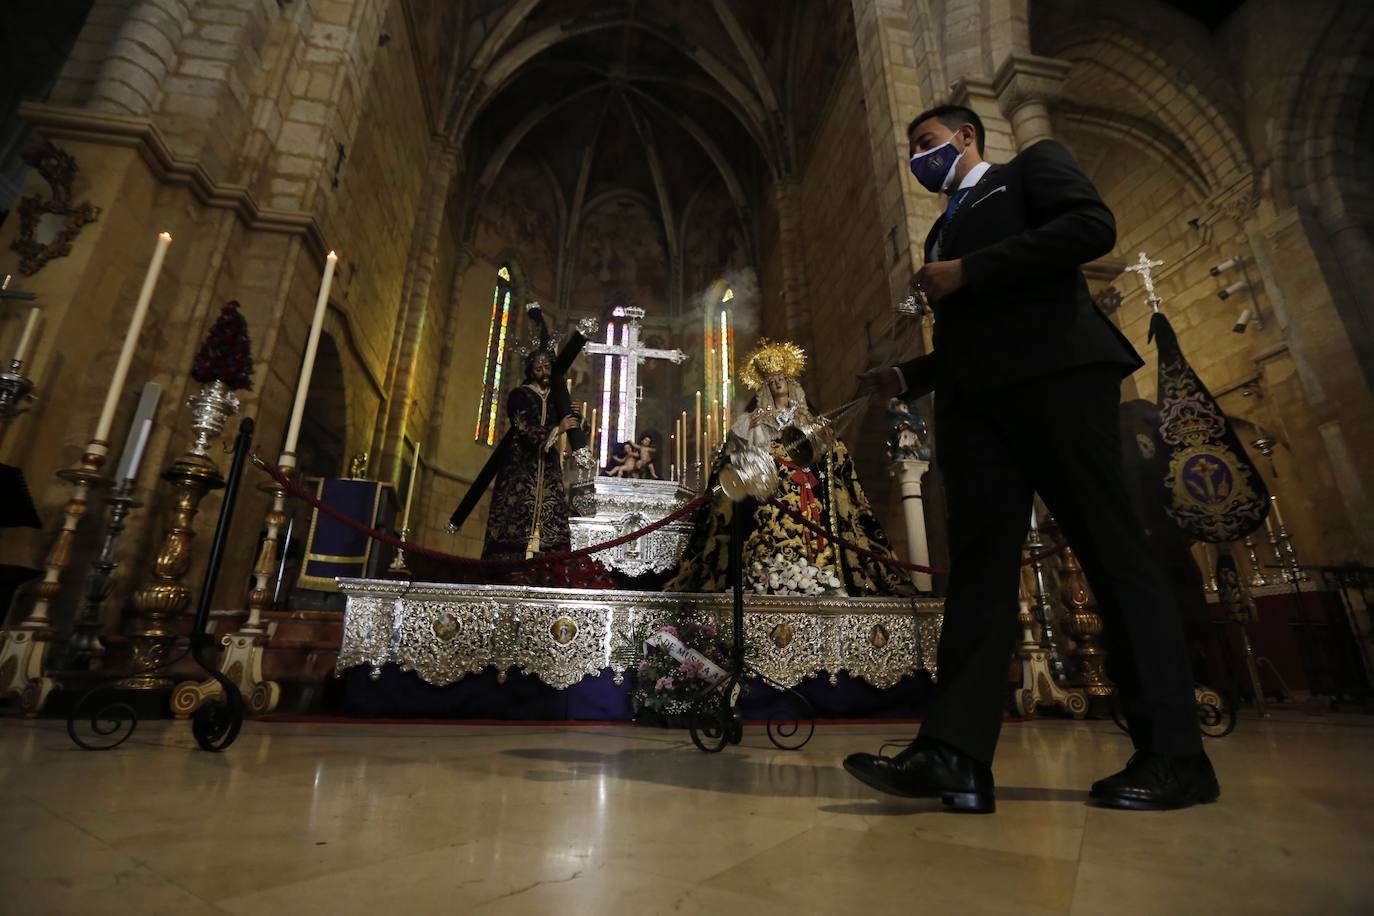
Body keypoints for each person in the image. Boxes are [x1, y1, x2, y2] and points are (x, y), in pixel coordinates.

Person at [845, 105, 1216, 813]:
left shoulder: (1029, 168)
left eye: (928, 142)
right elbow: (974, 330)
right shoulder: (940, 225)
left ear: (966, 137)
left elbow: (1089, 228)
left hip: (1057, 382)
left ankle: (1175, 754)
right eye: (912, 148)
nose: (920, 156)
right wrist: (910, 378)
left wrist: (969, 270)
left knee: (1113, 554)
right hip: (976, 409)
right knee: (980, 575)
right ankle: (955, 754)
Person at [664, 339, 912, 597]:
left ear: (791, 383)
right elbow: (740, 456)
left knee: (814, 530)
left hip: (805, 490)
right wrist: (752, 428)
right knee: (770, 527)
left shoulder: (807, 418)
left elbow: (827, 449)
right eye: (770, 381)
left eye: (781, 378)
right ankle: (769, 574)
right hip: (771, 492)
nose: (776, 383)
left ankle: (817, 574)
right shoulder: (753, 419)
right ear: (765, 389)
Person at [481, 347, 580, 560]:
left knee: (551, 510)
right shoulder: (519, 395)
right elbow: (523, 426)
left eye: (547, 367)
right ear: (530, 371)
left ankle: (550, 565)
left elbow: (565, 421)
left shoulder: (555, 397)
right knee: (516, 509)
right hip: (521, 461)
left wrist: (573, 416)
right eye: (538, 368)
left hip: (548, 464)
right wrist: (557, 429)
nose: (544, 372)